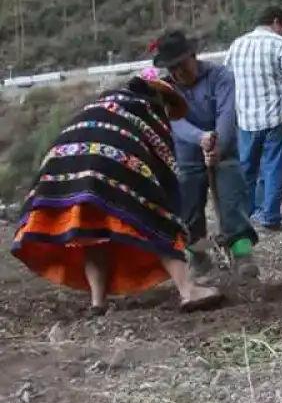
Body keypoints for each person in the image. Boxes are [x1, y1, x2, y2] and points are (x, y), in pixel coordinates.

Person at [11, 69, 225, 315]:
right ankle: (189, 290)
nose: (168, 114)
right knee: (160, 220)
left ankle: (97, 302)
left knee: (92, 231)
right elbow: (166, 177)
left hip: (63, 163)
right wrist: (176, 218)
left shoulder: (106, 104)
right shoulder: (148, 114)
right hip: (109, 161)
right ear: (158, 99)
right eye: (168, 105)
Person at [150, 30, 259, 280]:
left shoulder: (220, 76)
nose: (178, 72)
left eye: (182, 64)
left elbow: (226, 114)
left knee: (232, 199)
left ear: (193, 56)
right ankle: (199, 258)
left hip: (224, 148)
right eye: (172, 67)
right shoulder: (165, 88)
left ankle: (242, 254)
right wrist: (201, 138)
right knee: (188, 210)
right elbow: (175, 122)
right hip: (187, 154)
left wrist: (217, 144)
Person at [225, 5, 282, 232]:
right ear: (276, 22)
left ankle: (246, 215)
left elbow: (226, 79)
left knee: (247, 169)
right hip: (275, 117)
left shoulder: (236, 45)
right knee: (275, 167)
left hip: (246, 119)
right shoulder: (280, 44)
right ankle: (271, 216)